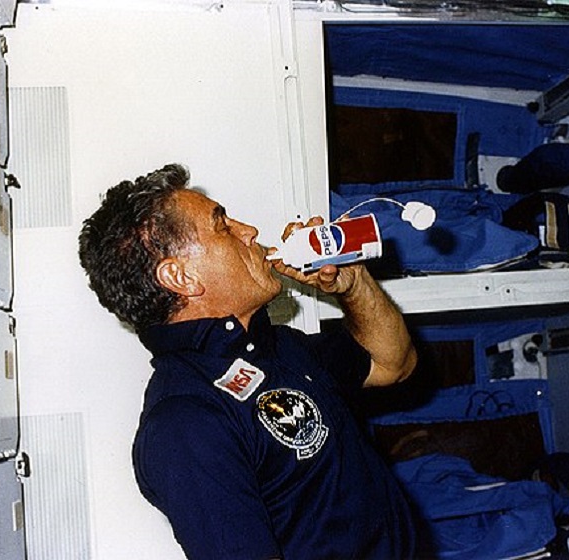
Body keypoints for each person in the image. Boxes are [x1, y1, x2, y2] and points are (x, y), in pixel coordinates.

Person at [78, 163, 421, 559]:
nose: (249, 231)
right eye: (222, 226)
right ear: (181, 278)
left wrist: (354, 283)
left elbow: (393, 364)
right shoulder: (183, 423)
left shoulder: (276, 347)